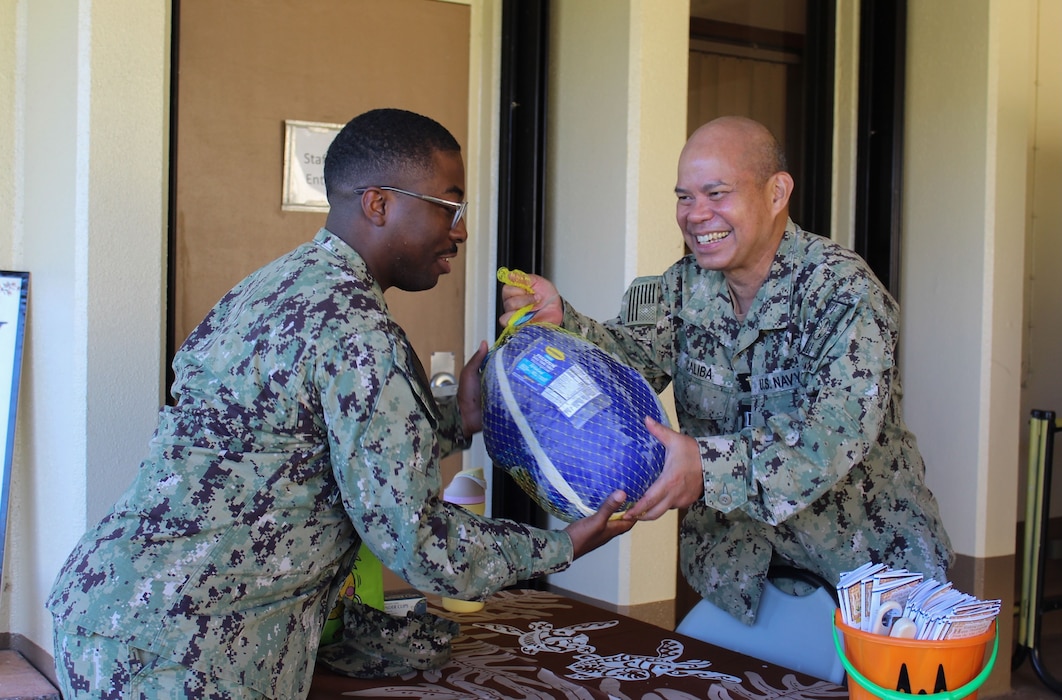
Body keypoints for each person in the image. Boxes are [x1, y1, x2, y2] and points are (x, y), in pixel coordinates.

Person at [46, 108, 635, 699]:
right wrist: (562, 545)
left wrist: (460, 417)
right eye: (449, 207)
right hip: (189, 650)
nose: (460, 231)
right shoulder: (359, 331)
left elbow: (306, 445)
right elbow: (417, 541)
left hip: (115, 608)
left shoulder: (273, 285)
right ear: (378, 203)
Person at [500, 115, 954, 627]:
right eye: (684, 197)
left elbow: (833, 435)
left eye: (716, 193)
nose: (696, 215)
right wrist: (565, 324)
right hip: (742, 583)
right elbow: (626, 368)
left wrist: (705, 466)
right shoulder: (678, 288)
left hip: (868, 586)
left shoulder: (842, 292)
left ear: (777, 193)